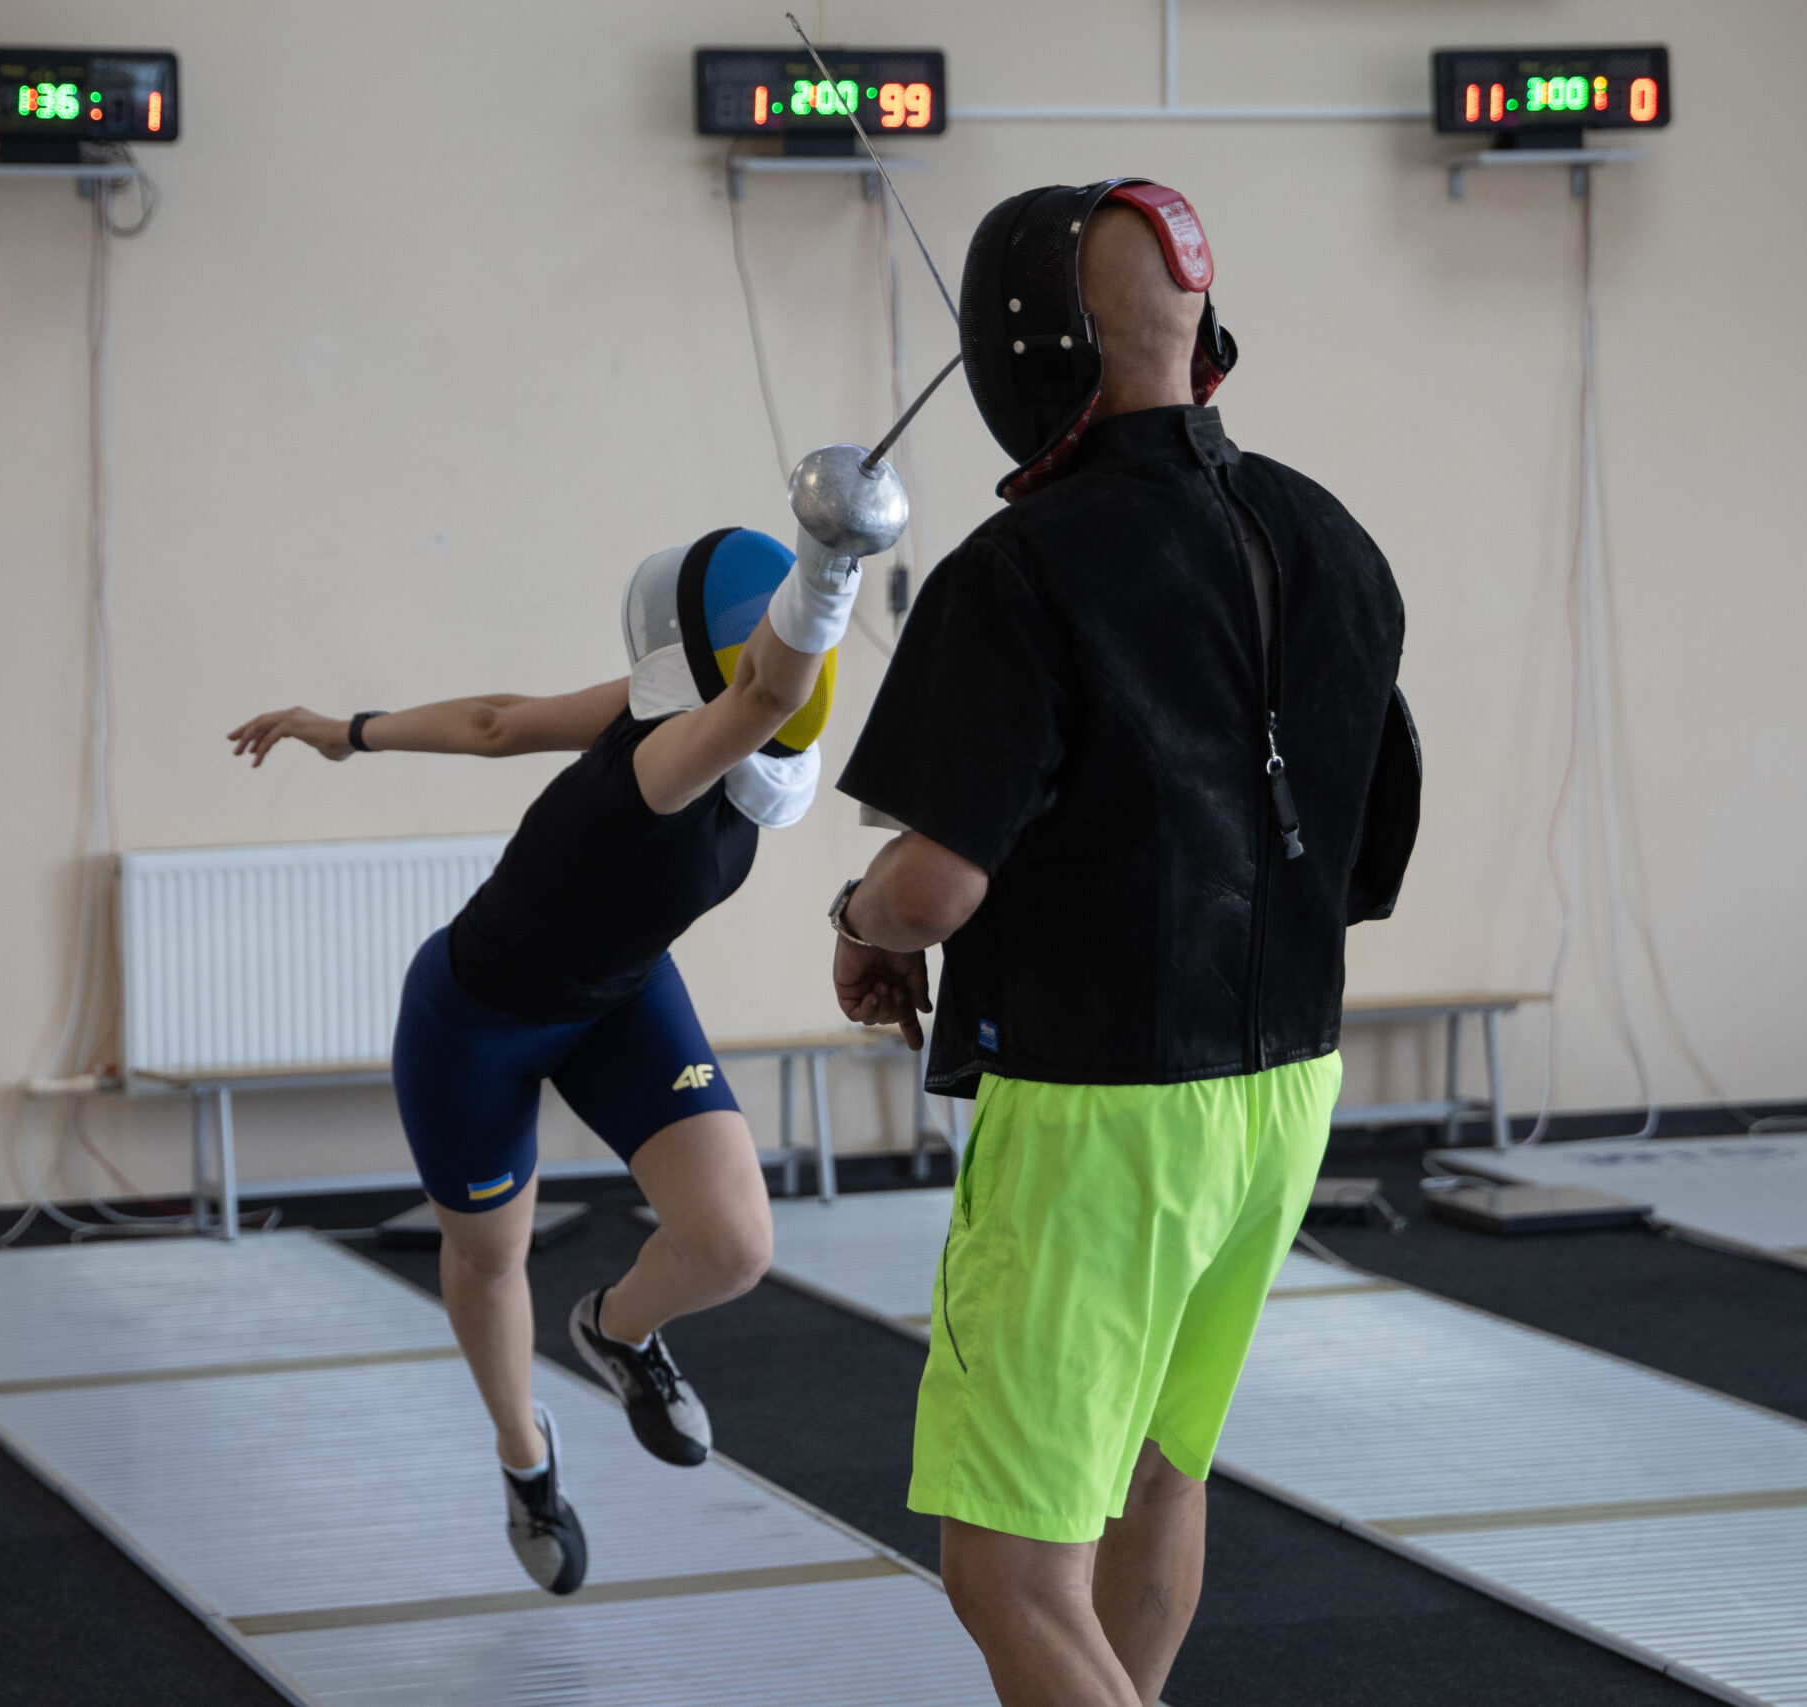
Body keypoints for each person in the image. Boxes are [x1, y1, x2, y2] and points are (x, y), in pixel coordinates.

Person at [824, 180, 1421, 1706]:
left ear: (1021, 349)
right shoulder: (1333, 537)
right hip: (1285, 1091)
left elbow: (932, 887)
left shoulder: (1020, 567)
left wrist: (858, 919)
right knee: (1157, 1479)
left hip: (1102, 1112)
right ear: (1201, 329)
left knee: (1007, 1564)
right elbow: (1364, 844)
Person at [226, 520, 879, 1596]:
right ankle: (526, 1465)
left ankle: (617, 1333)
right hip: (475, 1023)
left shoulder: (698, 721)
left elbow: (518, 721)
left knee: (732, 1246)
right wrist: (834, 562)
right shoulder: (671, 756)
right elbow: (724, 701)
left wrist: (351, 730)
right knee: (489, 1259)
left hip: (621, 1002)